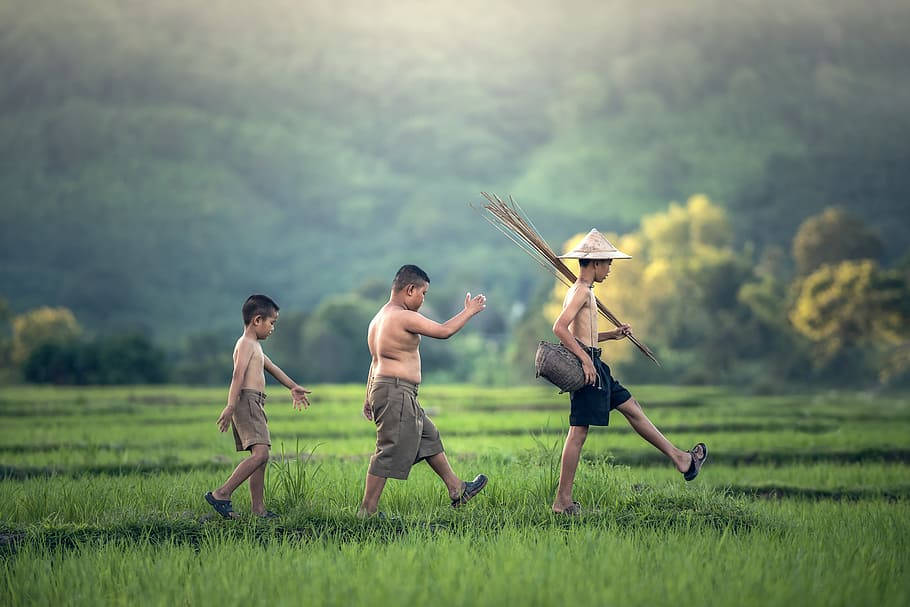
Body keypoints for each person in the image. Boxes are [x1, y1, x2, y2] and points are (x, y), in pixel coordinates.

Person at [550, 230, 707, 515]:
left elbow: (585, 334)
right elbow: (560, 328)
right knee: (578, 433)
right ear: (595, 263)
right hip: (590, 368)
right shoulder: (581, 291)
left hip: (597, 364)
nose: (610, 270)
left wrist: (612, 335)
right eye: (608, 263)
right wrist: (586, 361)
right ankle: (562, 502)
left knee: (632, 407)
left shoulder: (583, 290)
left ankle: (681, 459)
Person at [358, 264, 488, 517]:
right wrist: (469, 311)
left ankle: (456, 488)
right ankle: (367, 510)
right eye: (423, 293)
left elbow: (375, 361)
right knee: (388, 448)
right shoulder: (403, 316)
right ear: (409, 290)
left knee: (428, 436)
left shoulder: (378, 319)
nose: (423, 299)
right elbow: (443, 331)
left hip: (388, 389)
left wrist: (367, 397)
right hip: (396, 391)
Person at [204, 294, 311, 519]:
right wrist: (230, 406)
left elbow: (272, 367)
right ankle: (222, 493)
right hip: (247, 401)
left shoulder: (255, 346)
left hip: (255, 403)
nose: (273, 328)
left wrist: (293, 386)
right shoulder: (245, 344)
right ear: (257, 320)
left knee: (260, 457)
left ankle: (258, 510)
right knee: (261, 455)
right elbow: (237, 375)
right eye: (272, 323)